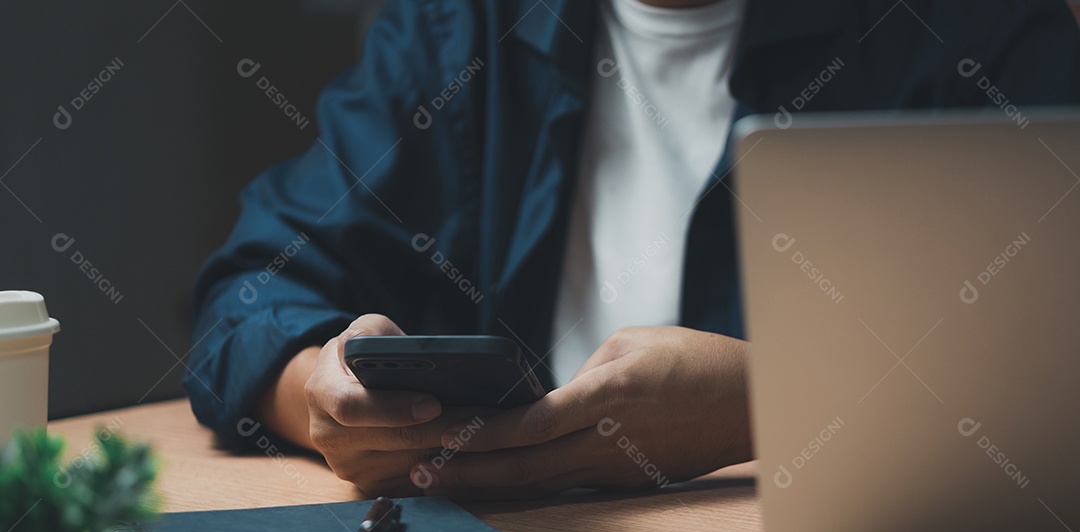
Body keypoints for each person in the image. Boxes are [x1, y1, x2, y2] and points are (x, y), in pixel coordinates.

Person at [185, 0, 1080, 500]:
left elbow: (1050, 377)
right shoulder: (456, 31)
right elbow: (249, 290)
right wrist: (325, 402)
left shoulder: (974, 36)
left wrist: (773, 404)